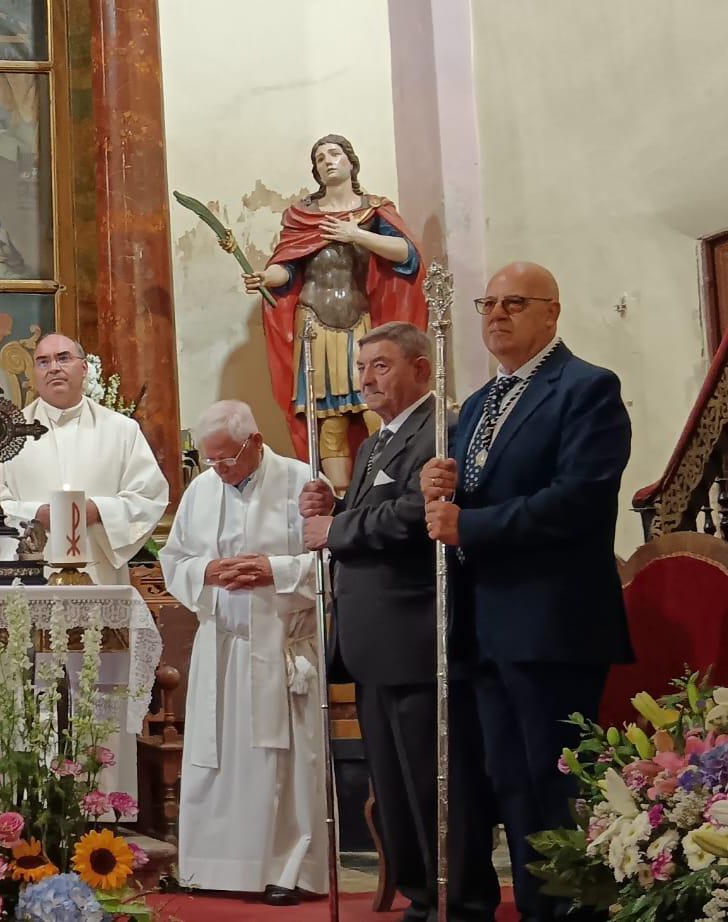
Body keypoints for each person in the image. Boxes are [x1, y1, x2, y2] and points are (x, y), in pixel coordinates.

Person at [421, 262, 633, 922]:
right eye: (488, 303)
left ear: (552, 312)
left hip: (552, 622)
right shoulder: (478, 404)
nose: (496, 314)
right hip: (486, 623)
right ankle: (541, 911)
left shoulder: (587, 388)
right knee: (510, 782)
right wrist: (438, 487)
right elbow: (472, 493)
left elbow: (578, 500)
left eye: (514, 302)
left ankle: (577, 912)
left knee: (556, 781)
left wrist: (470, 525)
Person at [300, 321, 500, 922]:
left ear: (421, 368)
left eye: (380, 366)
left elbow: (420, 514)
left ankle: (460, 901)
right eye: (362, 368)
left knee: (436, 782)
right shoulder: (374, 443)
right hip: (371, 643)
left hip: (418, 637)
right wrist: (335, 507)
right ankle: (421, 897)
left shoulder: (444, 428)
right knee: (392, 786)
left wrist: (336, 528)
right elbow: (374, 515)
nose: (366, 379)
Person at [161, 400, 327, 906]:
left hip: (280, 646)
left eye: (226, 458)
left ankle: (286, 870)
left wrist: (272, 569)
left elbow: (331, 560)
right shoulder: (201, 489)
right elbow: (175, 559)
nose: (218, 469)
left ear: (254, 442)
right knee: (213, 760)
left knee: (281, 763)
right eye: (209, 459)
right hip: (221, 646)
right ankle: (208, 866)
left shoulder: (303, 482)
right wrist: (207, 572)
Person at [243, 134, 424, 492]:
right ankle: (340, 497)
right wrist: (267, 276)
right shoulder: (303, 215)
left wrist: (355, 234)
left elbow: (407, 255)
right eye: (320, 158)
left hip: (358, 319)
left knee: (377, 405)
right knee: (330, 417)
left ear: (351, 162)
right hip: (314, 321)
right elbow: (288, 268)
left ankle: (385, 488)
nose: (328, 161)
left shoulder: (373, 211)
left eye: (334, 154)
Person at [0, 332, 167, 584]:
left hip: (99, 574)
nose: (54, 368)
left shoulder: (121, 430)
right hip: (29, 574)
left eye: (63, 358)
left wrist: (98, 511)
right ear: (34, 374)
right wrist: (35, 515)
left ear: (84, 368)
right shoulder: (3, 434)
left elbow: (148, 496)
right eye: (43, 362)